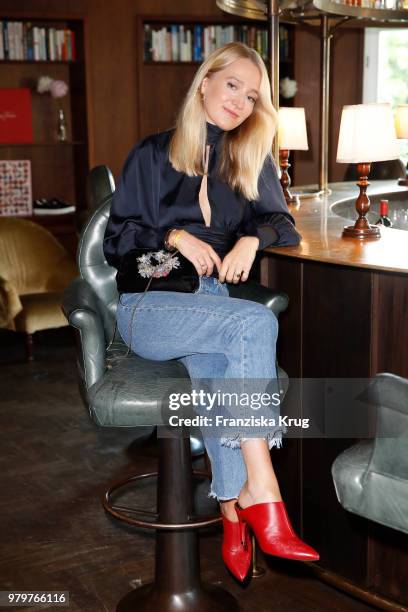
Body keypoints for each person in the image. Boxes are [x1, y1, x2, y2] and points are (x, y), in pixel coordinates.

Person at [103, 41, 319, 582]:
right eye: (232, 86)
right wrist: (174, 234)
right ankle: (262, 489)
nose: (241, 103)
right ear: (204, 82)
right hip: (149, 304)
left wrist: (251, 239)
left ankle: (231, 511)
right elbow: (117, 240)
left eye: (252, 96)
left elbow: (283, 223)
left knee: (223, 376)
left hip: (210, 306)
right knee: (257, 321)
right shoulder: (151, 154)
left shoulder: (248, 157)